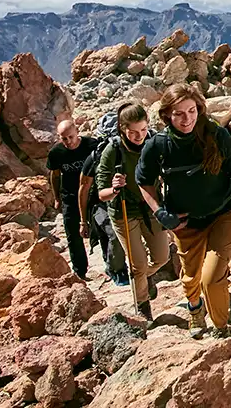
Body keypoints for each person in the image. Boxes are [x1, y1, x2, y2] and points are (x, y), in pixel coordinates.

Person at [136, 83, 231, 339]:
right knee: (191, 276)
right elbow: (144, 180)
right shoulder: (159, 145)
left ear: (200, 109)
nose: (187, 119)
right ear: (167, 115)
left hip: (224, 212)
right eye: (179, 114)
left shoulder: (215, 135)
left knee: (212, 276)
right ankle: (195, 310)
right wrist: (160, 212)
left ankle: (220, 327)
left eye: (192, 111)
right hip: (185, 222)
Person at [96, 103, 170, 319]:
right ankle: (143, 307)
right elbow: (101, 193)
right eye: (133, 132)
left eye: (143, 130)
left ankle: (145, 278)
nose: (139, 136)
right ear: (122, 129)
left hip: (150, 209)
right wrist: (114, 188)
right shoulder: (113, 151)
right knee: (137, 265)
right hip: (123, 212)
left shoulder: (153, 144)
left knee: (162, 257)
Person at [47, 119, 100, 280]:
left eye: (70, 137)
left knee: (102, 229)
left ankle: (114, 267)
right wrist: (56, 198)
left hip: (93, 195)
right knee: (73, 235)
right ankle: (80, 271)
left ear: (77, 131)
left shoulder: (92, 145)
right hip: (69, 197)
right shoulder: (56, 153)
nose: (68, 142)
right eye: (64, 139)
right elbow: (55, 176)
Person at [77, 143, 129, 286]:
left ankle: (115, 265)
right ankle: (117, 270)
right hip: (99, 205)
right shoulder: (95, 157)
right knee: (114, 233)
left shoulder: (130, 152)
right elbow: (84, 188)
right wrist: (83, 220)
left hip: (123, 200)